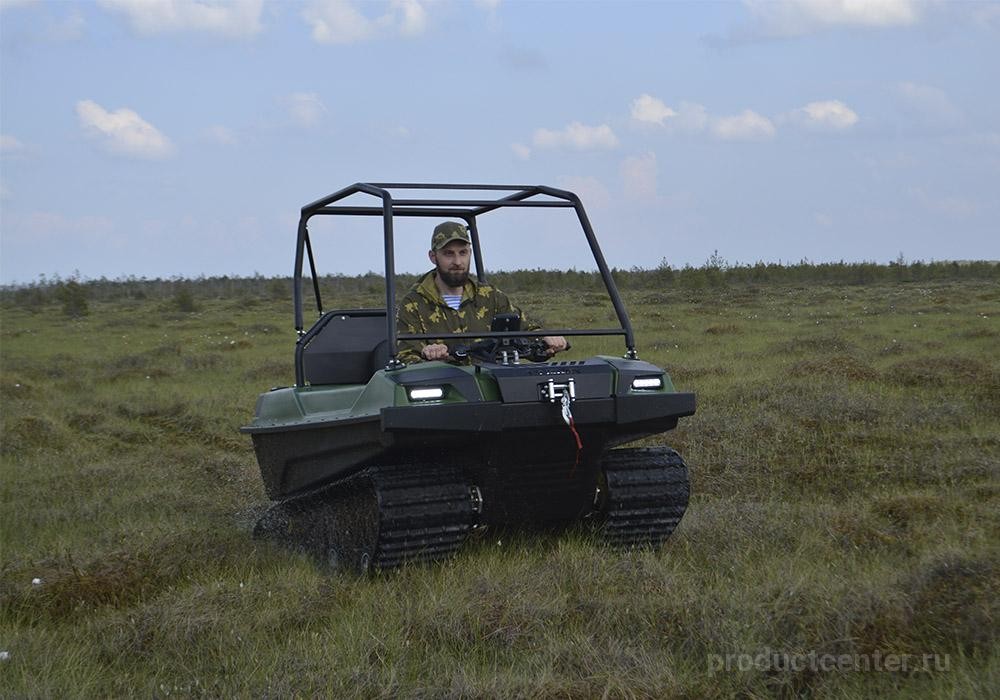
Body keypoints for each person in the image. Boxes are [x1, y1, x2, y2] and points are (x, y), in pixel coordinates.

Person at [396, 221, 569, 364]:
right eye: (449, 254)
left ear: (470, 253)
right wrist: (429, 354)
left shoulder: (490, 296)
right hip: (446, 391)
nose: (457, 261)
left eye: (462, 253)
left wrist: (546, 340)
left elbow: (526, 334)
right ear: (433, 257)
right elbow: (405, 357)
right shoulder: (414, 303)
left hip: (493, 388)